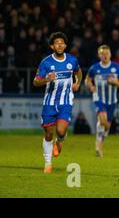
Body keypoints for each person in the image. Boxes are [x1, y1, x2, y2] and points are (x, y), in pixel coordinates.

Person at [33, 32, 82, 173]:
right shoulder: (46, 63)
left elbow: (78, 72)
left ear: (65, 45)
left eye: (62, 42)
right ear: (52, 46)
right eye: (57, 43)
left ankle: (59, 141)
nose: (59, 45)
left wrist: (77, 83)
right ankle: (48, 163)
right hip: (49, 103)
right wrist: (46, 79)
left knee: (60, 131)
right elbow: (35, 82)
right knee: (48, 134)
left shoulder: (72, 60)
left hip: (65, 102)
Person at [85, 45, 119, 157]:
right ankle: (98, 147)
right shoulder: (94, 68)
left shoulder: (117, 68)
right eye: (102, 53)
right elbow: (87, 80)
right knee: (103, 121)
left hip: (112, 101)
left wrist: (115, 82)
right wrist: (90, 87)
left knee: (106, 125)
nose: (105, 55)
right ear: (99, 55)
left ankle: (100, 143)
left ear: (110, 55)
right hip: (99, 99)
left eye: (107, 53)